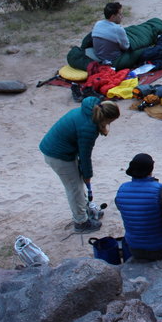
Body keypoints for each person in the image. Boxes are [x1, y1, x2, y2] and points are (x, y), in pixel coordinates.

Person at [39, 96, 120, 233]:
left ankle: (87, 210)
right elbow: (85, 155)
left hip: (62, 150)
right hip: (58, 155)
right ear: (106, 118)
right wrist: (87, 175)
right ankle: (81, 222)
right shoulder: (88, 127)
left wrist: (85, 175)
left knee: (77, 183)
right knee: (74, 188)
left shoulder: (88, 111)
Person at [114, 153, 162, 262]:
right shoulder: (159, 190)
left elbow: (121, 207)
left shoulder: (122, 189)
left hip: (133, 248)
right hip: (159, 249)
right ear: (150, 170)